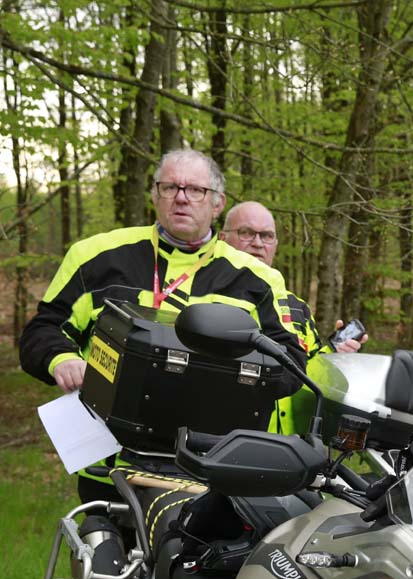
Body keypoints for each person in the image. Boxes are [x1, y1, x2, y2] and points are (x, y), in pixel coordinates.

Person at [20, 148, 304, 500]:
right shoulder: (95, 256)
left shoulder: (258, 278)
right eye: (170, 187)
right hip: (111, 468)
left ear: (218, 203)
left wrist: (221, 378)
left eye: (195, 190)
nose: (181, 198)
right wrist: (61, 360)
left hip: (211, 470)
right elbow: (42, 330)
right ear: (154, 195)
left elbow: (291, 364)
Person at [221, 201, 367, 359]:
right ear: (222, 239)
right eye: (246, 233)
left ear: (275, 245)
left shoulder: (298, 309)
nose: (258, 243)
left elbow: (307, 370)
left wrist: (335, 354)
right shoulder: (204, 285)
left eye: (267, 236)